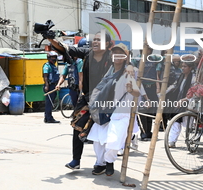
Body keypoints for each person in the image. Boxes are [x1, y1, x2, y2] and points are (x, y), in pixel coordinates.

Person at [45, 33, 113, 170]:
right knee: (77, 126)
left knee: (105, 132)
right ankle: (76, 160)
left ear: (107, 44)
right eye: (94, 39)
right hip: (87, 98)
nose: (95, 42)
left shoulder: (112, 57)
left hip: (106, 100)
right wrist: (49, 38)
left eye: (99, 40)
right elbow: (65, 48)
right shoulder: (87, 54)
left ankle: (106, 163)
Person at [88, 43, 140, 176]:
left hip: (120, 112)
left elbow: (136, 91)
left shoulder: (129, 71)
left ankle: (109, 161)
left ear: (125, 57)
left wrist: (131, 89)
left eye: (120, 53)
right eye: (115, 53)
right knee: (98, 140)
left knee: (113, 140)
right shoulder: (109, 70)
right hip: (104, 110)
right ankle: (101, 163)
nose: (117, 56)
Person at [166, 61, 196, 148]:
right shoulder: (181, 76)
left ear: (190, 68)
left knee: (188, 125)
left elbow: (195, 92)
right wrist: (163, 93)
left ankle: (194, 139)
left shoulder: (193, 78)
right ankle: (171, 141)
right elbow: (174, 86)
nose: (182, 68)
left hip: (189, 103)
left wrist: (184, 100)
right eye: (182, 66)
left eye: (185, 66)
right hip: (179, 102)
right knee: (176, 121)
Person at [43, 51, 61, 123]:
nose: (54, 59)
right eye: (52, 57)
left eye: (55, 57)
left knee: (50, 102)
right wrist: (47, 85)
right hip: (49, 85)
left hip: (54, 85)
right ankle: (49, 118)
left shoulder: (53, 66)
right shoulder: (47, 65)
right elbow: (45, 76)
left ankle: (47, 117)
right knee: (49, 102)